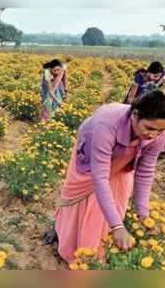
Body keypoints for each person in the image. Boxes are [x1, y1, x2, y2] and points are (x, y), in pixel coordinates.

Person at [49, 90, 165, 263]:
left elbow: (145, 172)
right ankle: (63, 233)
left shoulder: (158, 134)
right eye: (149, 128)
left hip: (124, 158)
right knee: (82, 200)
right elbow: (100, 177)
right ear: (135, 115)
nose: (153, 136)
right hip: (92, 155)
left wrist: (143, 213)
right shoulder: (107, 124)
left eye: (160, 130)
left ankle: (98, 251)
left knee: (117, 199)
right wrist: (117, 226)